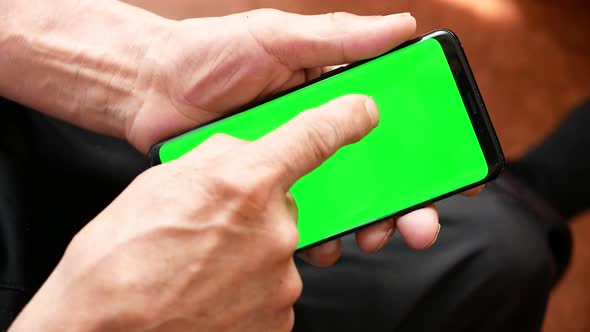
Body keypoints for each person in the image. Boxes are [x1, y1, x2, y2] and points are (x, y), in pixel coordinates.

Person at [0, 1, 572, 331]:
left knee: (492, 248)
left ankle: (533, 192)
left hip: (33, 137)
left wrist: (137, 69)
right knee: (499, 252)